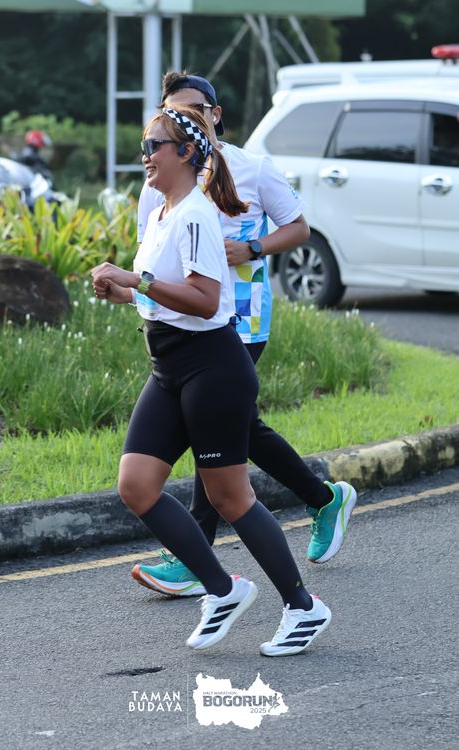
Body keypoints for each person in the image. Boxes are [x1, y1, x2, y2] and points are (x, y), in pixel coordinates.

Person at [91, 105, 332, 656]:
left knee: (230, 496)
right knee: (136, 485)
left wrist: (137, 280)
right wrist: (124, 291)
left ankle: (303, 607)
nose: (145, 156)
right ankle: (223, 590)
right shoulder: (162, 211)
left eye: (153, 145)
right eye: (143, 145)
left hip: (213, 367)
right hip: (168, 367)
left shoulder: (197, 214)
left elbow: (204, 301)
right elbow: (165, 292)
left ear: (185, 153)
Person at [132, 72, 357, 598]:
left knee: (212, 425)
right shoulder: (159, 179)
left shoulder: (252, 168)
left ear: (215, 114)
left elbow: (298, 228)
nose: (184, 118)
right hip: (181, 326)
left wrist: (252, 249)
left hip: (240, 319)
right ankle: (323, 498)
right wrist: (138, 293)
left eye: (193, 109)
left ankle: (197, 559)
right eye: (173, 112)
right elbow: (149, 254)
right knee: (233, 428)